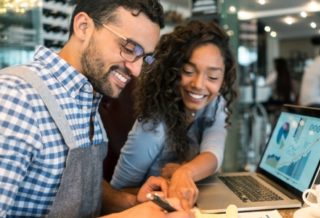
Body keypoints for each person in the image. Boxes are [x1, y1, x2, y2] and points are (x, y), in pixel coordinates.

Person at [0, 0, 192, 217]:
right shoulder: (15, 98)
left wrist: (131, 203)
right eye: (129, 48)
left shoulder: (89, 96)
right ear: (83, 26)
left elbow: (77, 187)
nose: (137, 70)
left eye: (144, 57)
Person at [110, 20, 237, 209]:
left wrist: (184, 172)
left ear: (223, 80)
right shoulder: (153, 125)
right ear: (172, 71)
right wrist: (167, 188)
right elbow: (117, 193)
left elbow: (213, 155)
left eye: (213, 77)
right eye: (188, 71)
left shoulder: (217, 104)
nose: (199, 84)